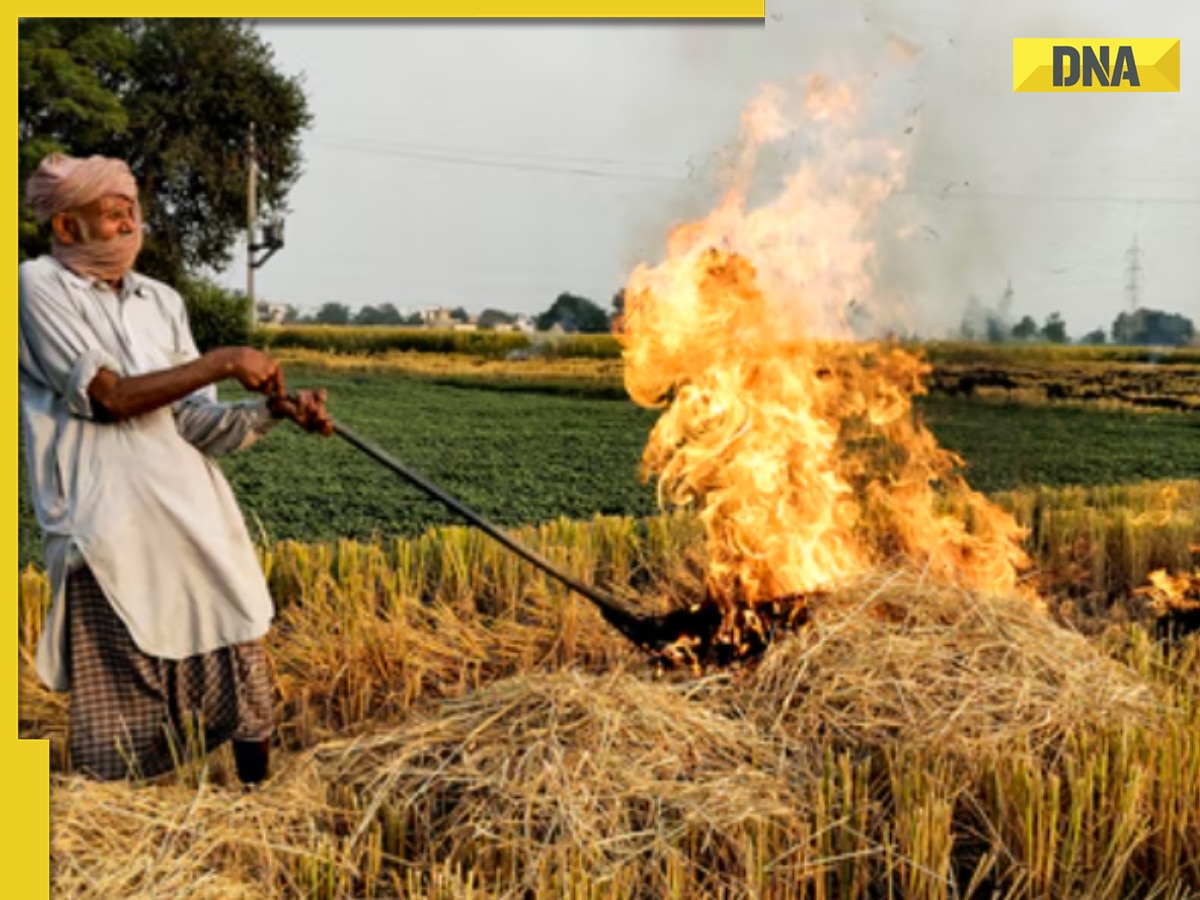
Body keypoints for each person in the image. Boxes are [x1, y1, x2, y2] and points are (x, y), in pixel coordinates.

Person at [18, 152, 332, 785]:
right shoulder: (34, 286)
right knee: (119, 696)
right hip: (105, 523)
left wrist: (273, 412)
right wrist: (220, 361)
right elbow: (107, 398)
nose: (129, 223)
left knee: (240, 651)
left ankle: (257, 805)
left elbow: (196, 424)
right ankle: (117, 828)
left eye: (132, 211)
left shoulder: (160, 301)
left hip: (191, 511)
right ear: (66, 228)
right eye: (111, 214)